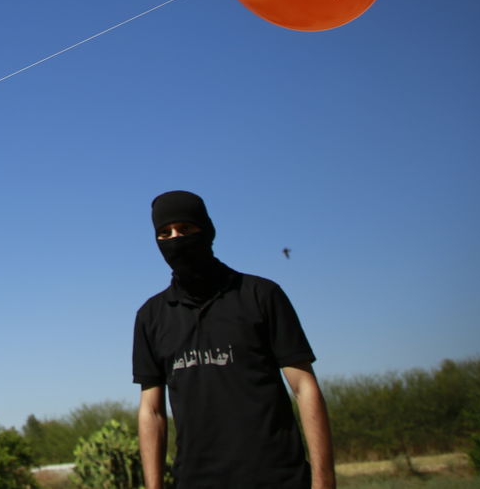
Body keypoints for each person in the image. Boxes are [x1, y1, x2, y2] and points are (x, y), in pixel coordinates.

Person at [132, 190, 335, 489]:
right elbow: (151, 411)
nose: (175, 239)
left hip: (278, 478)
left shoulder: (261, 295)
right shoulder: (151, 317)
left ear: (208, 231)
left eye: (185, 229)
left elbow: (304, 388)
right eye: (165, 233)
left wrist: (324, 481)